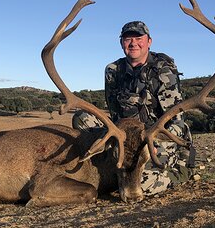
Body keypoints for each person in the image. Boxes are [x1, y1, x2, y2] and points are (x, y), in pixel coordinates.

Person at [72, 20, 194, 196]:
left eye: (138, 37)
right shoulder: (113, 70)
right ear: (122, 43)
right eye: (128, 38)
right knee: (82, 118)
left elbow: (175, 118)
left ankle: (179, 172)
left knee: (142, 183)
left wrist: (153, 143)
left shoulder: (163, 70)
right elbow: (114, 113)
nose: (133, 43)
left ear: (149, 41)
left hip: (155, 133)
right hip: (126, 135)